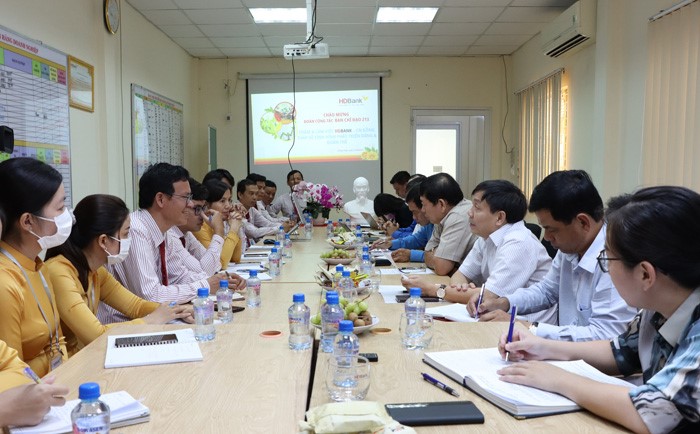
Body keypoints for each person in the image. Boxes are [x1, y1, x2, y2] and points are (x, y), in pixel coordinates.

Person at [497, 186, 700, 434]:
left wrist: (558, 379)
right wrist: (541, 347)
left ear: (645, 274)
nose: (605, 266)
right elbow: (622, 352)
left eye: (607, 259)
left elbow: (651, 413)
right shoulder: (659, 306)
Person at [470, 170, 636, 341]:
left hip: (590, 362)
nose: (547, 238)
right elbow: (546, 291)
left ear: (583, 222)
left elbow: (605, 335)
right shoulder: (571, 248)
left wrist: (528, 327)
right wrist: (505, 303)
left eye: (551, 229)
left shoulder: (613, 258)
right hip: (563, 352)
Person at [44, 194, 193, 356]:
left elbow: (135, 306)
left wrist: (177, 311)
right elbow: (96, 335)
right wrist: (151, 320)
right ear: (103, 241)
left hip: (81, 355)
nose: (129, 240)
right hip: (64, 364)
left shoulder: (96, 271)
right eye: (126, 234)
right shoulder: (59, 272)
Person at [98, 163, 244, 324]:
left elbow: (181, 276)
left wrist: (221, 280)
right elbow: (151, 295)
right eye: (186, 198)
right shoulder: (137, 230)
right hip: (123, 326)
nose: (190, 205)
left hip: (154, 319)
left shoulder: (165, 232)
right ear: (161, 199)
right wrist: (206, 285)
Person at [403, 180, 556, 324]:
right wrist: (461, 289)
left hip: (525, 328)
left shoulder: (518, 242)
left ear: (499, 217)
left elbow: (488, 297)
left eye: (476, 207)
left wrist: (432, 289)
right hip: (495, 322)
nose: (469, 213)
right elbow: (460, 276)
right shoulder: (486, 238)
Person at [0, 158, 69, 377]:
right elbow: (13, 375)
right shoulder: (5, 283)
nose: (67, 216)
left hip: (52, 383)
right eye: (59, 208)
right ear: (28, 221)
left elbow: (58, 341)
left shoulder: (38, 266)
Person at [419, 172, 476, 276]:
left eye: (423, 204)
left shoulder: (458, 216)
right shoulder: (441, 217)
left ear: (441, 204)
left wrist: (438, 257)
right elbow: (427, 254)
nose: (422, 210)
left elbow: (441, 268)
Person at [171, 178, 226, 275]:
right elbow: (205, 271)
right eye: (197, 208)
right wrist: (219, 233)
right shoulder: (171, 235)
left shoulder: (187, 234)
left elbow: (217, 265)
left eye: (203, 208)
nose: (202, 215)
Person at [371, 183, 434, 263]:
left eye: (415, 212)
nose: (414, 217)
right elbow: (416, 239)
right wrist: (390, 244)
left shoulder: (444, 223)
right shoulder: (430, 224)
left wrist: (410, 254)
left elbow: (438, 259)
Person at [194, 179, 245, 267]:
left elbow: (235, 258)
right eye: (222, 201)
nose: (228, 206)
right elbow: (221, 262)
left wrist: (236, 226)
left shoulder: (217, 222)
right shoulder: (199, 227)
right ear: (207, 205)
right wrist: (233, 230)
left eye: (229, 200)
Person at [237, 178, 285, 244]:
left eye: (256, 194)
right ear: (240, 195)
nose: (254, 197)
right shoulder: (236, 210)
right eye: (251, 194)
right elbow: (254, 232)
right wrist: (280, 228)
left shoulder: (252, 209)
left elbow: (267, 223)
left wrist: (282, 226)